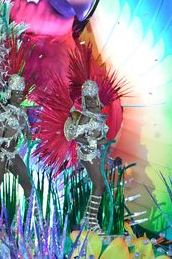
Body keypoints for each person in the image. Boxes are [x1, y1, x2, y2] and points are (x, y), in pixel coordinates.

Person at [63, 80, 109, 233]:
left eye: (92, 97)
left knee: (100, 185)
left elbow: (103, 137)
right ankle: (91, 220)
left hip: (95, 153)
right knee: (99, 184)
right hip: (86, 154)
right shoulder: (85, 116)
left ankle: (88, 219)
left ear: (96, 96)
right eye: (87, 98)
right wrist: (94, 142)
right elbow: (74, 135)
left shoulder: (98, 114)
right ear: (83, 99)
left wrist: (101, 142)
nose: (90, 101)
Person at [0, 74, 33, 220]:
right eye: (16, 93)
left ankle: (36, 221)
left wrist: (32, 136)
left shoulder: (24, 112)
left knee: (27, 184)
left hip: (12, 153)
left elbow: (27, 133)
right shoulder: (2, 109)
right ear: (9, 94)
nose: (20, 96)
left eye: (21, 93)